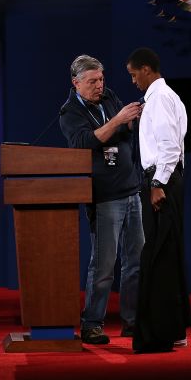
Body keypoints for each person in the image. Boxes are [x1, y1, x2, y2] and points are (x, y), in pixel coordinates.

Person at [59, 55, 145, 344]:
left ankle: (132, 322)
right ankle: (92, 323)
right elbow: (84, 143)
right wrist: (119, 120)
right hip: (104, 196)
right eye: (93, 81)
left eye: (101, 80)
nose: (99, 86)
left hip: (131, 190)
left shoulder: (109, 97)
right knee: (105, 265)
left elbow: (123, 131)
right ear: (76, 83)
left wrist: (133, 121)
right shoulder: (70, 112)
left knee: (135, 262)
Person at [126, 47, 191, 352]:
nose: (133, 80)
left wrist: (156, 183)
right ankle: (173, 328)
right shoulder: (162, 98)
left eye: (133, 73)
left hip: (161, 181)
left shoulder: (161, 99)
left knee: (158, 255)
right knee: (166, 254)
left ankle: (160, 333)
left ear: (147, 69)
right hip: (165, 180)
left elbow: (169, 147)